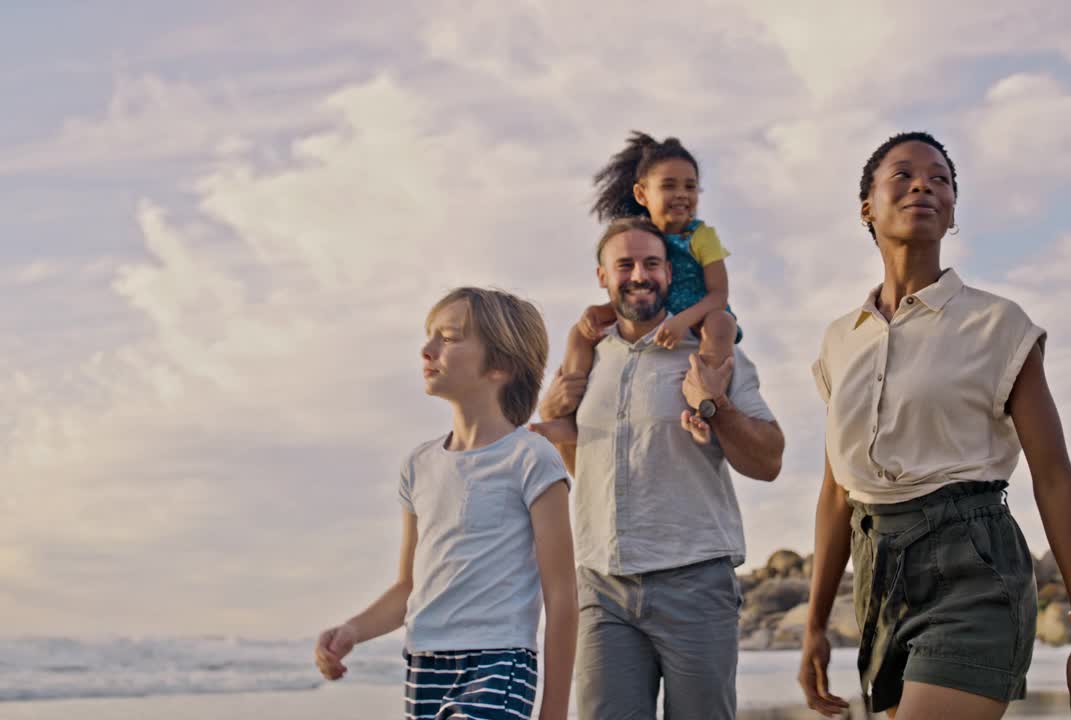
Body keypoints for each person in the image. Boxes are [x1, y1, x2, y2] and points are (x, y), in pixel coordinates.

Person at [798, 133, 1071, 720]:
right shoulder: (841, 340)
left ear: (952, 211)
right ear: (866, 205)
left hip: (973, 565)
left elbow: (1054, 477)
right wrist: (814, 625)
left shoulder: (998, 324)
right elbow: (837, 491)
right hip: (878, 579)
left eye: (940, 178)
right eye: (903, 175)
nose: (924, 184)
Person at [534, 216, 784, 719]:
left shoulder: (714, 353)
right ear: (602, 277)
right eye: (623, 264)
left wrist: (715, 405)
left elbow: (770, 459)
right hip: (602, 586)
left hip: (695, 581)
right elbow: (580, 460)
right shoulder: (586, 365)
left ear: (670, 273)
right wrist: (549, 415)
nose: (639, 275)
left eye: (651, 263)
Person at [313, 287, 577, 720]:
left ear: (501, 365)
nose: (427, 349)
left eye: (449, 337)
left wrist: (555, 712)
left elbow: (563, 594)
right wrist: (352, 630)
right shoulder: (418, 466)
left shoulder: (530, 457)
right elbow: (409, 587)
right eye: (429, 335)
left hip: (500, 659)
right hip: (424, 663)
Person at [537, 132, 740, 438]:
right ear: (642, 194)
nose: (682, 194)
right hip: (659, 309)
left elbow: (719, 294)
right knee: (581, 330)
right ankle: (568, 414)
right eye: (669, 185)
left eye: (690, 186)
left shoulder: (702, 237)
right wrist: (599, 310)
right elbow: (639, 290)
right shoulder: (642, 237)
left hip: (700, 312)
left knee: (721, 323)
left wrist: (683, 320)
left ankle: (702, 407)